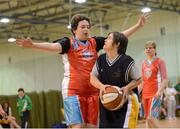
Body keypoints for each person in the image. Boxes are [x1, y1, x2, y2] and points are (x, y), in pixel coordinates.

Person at [16, 13, 148, 128]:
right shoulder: (68, 43)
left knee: (92, 126)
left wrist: (138, 26)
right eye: (83, 27)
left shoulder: (94, 42)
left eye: (88, 27)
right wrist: (33, 45)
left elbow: (117, 38)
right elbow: (51, 46)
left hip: (93, 91)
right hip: (73, 91)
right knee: (78, 126)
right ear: (74, 29)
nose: (86, 29)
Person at [90, 32, 141, 128]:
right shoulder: (101, 59)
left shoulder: (126, 60)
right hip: (107, 101)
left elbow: (139, 79)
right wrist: (101, 86)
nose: (105, 40)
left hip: (126, 101)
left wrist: (127, 87)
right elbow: (92, 77)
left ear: (117, 44)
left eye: (109, 38)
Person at [141, 41, 168, 128]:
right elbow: (142, 80)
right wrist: (136, 92)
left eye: (150, 48)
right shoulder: (143, 63)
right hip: (145, 94)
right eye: (146, 48)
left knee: (151, 118)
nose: (148, 49)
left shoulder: (160, 61)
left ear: (155, 49)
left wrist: (160, 91)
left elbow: (165, 79)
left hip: (155, 93)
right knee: (147, 119)